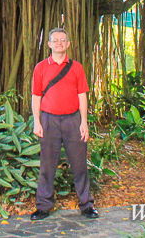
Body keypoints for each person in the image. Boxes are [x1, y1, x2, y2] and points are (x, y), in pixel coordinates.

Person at [30, 28, 99, 221]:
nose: (59, 43)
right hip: (49, 120)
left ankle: (87, 205)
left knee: (79, 164)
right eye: (55, 40)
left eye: (63, 40)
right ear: (49, 44)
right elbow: (36, 96)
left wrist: (83, 122)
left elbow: (82, 95)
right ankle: (43, 206)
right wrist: (37, 122)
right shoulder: (41, 68)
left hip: (72, 120)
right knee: (47, 165)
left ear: (68, 44)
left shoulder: (76, 67)